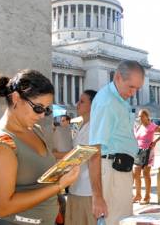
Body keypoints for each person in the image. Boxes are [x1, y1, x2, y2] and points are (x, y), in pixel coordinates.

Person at [0, 69, 79, 224]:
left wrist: (66, 162)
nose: (42, 115)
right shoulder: (0, 145)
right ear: (16, 98)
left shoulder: (34, 130)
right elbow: (2, 207)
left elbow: (36, 171)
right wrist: (59, 185)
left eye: (47, 110)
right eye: (38, 108)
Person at [89, 60, 145, 225]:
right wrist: (97, 196)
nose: (133, 93)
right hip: (111, 170)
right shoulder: (108, 102)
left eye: (137, 88)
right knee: (116, 221)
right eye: (131, 87)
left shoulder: (119, 98)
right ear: (119, 77)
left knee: (123, 220)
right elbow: (94, 150)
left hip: (119, 169)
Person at [65, 90, 97, 225]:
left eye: (82, 101)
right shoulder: (78, 125)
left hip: (88, 188)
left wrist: (53, 155)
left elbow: (82, 154)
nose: (77, 104)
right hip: (75, 185)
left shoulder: (95, 127)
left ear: (93, 105)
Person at [132, 109, 160, 204]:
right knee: (136, 174)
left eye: (142, 116)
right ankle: (138, 195)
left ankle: (147, 196)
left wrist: (155, 142)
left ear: (147, 116)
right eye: (139, 116)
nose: (140, 118)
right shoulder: (138, 126)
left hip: (148, 152)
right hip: (138, 152)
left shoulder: (151, 126)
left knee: (146, 174)